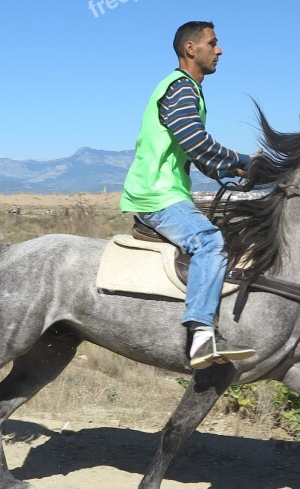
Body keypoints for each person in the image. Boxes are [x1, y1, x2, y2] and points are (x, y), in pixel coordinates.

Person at [120, 21, 256, 370]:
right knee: (210, 242)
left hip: (167, 192)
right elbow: (195, 141)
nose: (220, 50)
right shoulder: (180, 88)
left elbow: (198, 154)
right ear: (192, 49)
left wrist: (240, 171)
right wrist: (242, 160)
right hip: (157, 195)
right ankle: (200, 334)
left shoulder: (189, 90)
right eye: (214, 43)